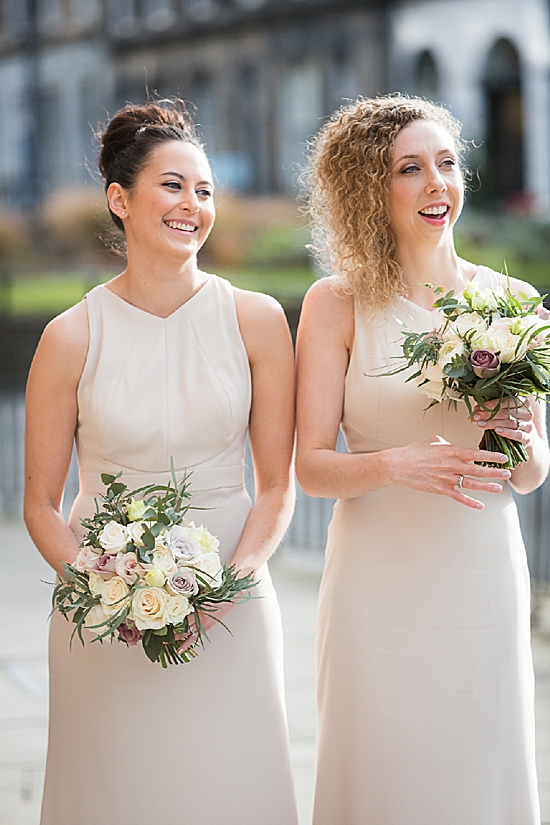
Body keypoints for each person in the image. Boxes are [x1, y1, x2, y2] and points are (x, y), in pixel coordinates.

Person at [24, 100, 298, 825]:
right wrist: (107, 591)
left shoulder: (259, 320)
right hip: (104, 617)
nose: (193, 205)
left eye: (204, 190)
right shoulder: (69, 335)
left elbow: (276, 487)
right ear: (120, 199)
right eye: (173, 185)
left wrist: (225, 592)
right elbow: (39, 506)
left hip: (233, 604)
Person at [296, 94, 548, 825]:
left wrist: (519, 430)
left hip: (479, 570)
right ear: (372, 189)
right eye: (411, 168)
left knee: (477, 764)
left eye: (446, 163)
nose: (437, 183)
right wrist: (392, 463)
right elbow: (311, 466)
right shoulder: (335, 303)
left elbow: (530, 473)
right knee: (382, 767)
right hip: (376, 580)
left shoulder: (514, 300)